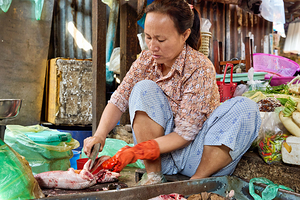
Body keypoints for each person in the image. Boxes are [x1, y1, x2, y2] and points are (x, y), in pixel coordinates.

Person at [84, 0, 261, 185]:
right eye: (148, 37)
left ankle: (195, 184)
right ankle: (153, 177)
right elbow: (119, 99)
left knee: (246, 107)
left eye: (160, 39)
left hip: (198, 157)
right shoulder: (145, 60)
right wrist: (99, 135)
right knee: (143, 89)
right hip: (160, 159)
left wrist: (139, 150)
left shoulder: (199, 67)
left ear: (185, 35)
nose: (153, 46)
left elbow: (186, 133)